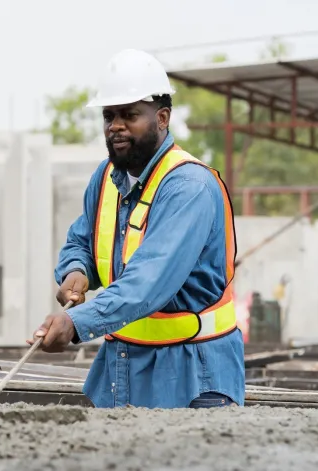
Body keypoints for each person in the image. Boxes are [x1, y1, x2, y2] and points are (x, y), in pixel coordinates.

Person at [27, 48, 245, 409]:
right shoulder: (107, 178)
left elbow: (148, 283)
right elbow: (82, 239)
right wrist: (76, 273)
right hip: (122, 364)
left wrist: (74, 322)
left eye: (130, 115)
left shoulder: (188, 187)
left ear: (162, 118)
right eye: (109, 115)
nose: (116, 126)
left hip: (191, 372)